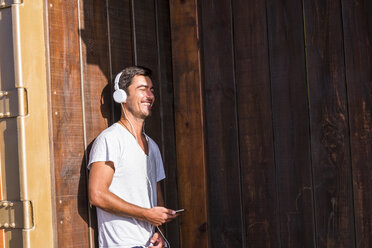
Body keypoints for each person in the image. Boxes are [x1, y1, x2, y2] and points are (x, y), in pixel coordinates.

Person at [88, 66, 177, 247]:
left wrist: (159, 232)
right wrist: (146, 214)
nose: (150, 96)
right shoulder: (110, 140)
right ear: (122, 96)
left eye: (152, 90)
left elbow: (156, 200)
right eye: (142, 89)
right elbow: (97, 195)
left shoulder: (153, 146)